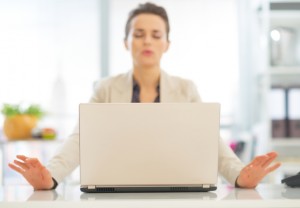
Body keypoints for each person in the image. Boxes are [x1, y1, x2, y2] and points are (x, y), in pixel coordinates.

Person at [9, 2, 281, 190]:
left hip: (180, 189)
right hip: (113, 190)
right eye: (138, 34)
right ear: (126, 42)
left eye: (155, 35)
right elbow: (79, 140)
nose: (147, 41)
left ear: (167, 44)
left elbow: (211, 143)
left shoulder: (187, 89)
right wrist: (51, 176)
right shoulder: (104, 88)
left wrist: (239, 175)